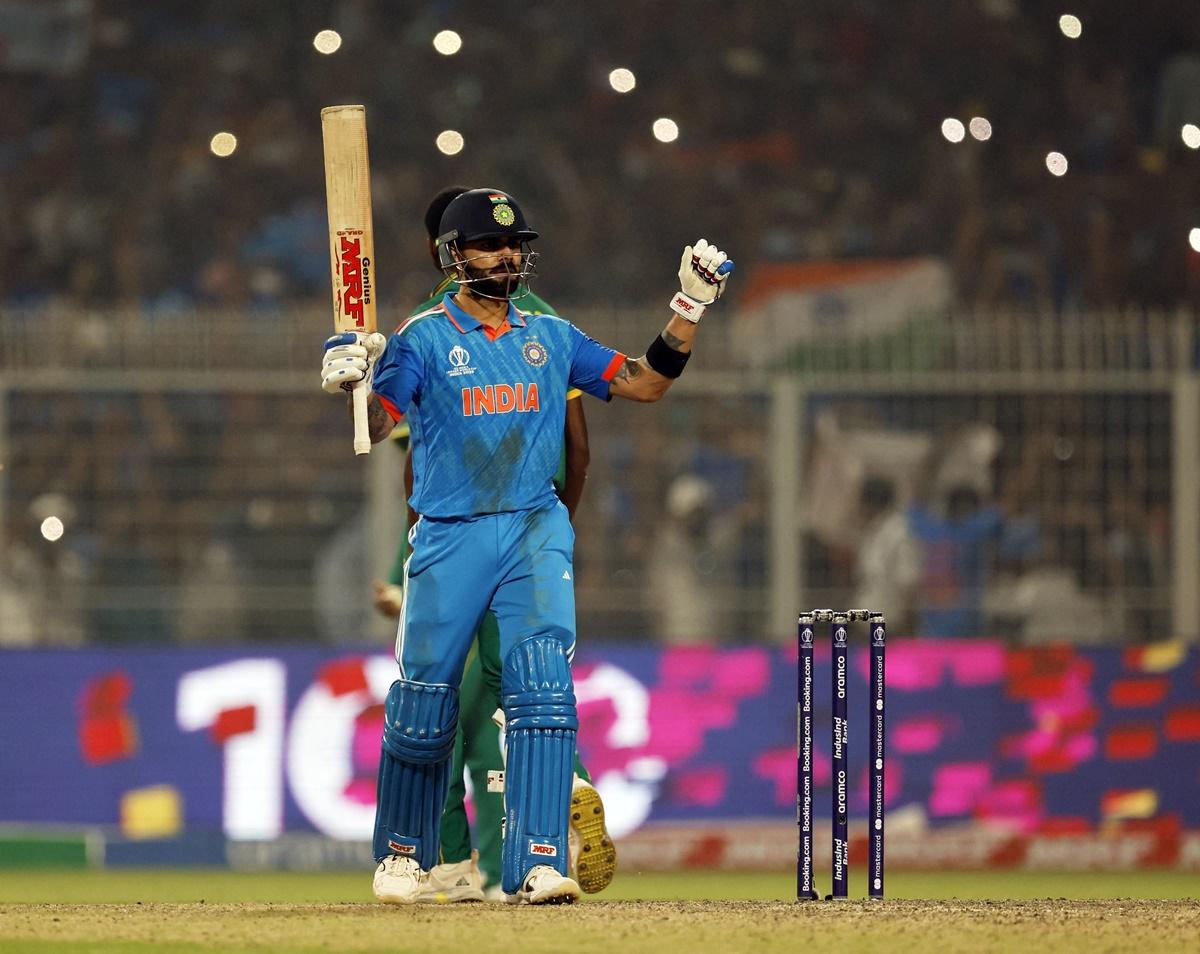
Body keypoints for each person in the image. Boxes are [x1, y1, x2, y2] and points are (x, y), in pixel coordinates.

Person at [321, 187, 733, 905]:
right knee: (424, 701)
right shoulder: (420, 337)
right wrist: (352, 380)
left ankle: (537, 862)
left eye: (514, 244)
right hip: (450, 535)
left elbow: (645, 384)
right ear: (454, 256)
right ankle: (402, 855)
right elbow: (382, 425)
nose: (507, 254)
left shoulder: (554, 335)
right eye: (489, 244)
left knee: (544, 693)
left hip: (533, 529)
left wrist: (688, 307)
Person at [372, 186, 611, 901]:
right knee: (515, 695)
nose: (504, 255)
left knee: (465, 704)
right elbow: (580, 447)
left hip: (476, 533)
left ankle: (461, 861)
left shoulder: (447, 330)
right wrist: (556, 527)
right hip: (516, 532)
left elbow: (410, 461)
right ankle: (551, 812)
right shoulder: (500, 324)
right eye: (488, 243)